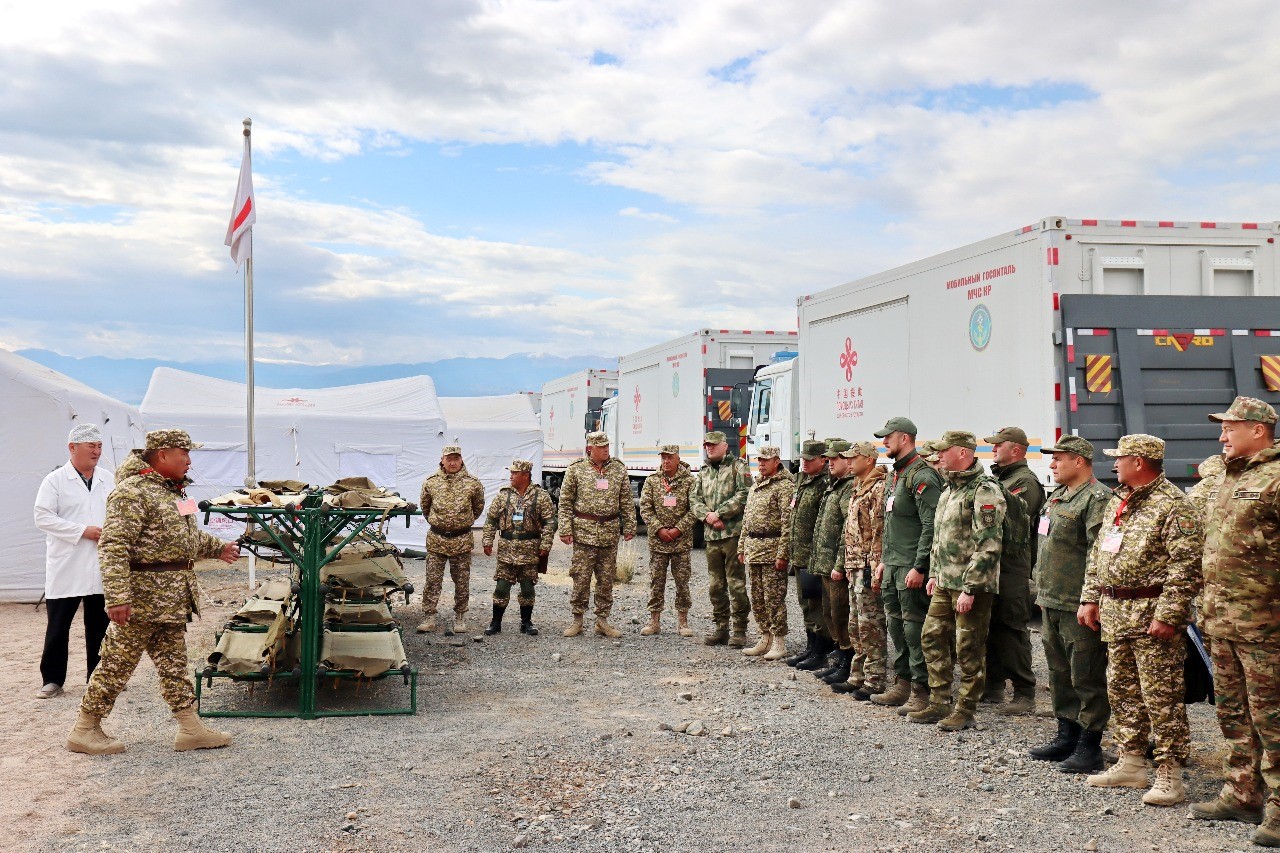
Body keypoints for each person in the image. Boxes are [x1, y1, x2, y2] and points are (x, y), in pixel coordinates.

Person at [67, 429, 240, 755]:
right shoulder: (132, 492)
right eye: (184, 453)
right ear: (162, 455)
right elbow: (113, 546)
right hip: (141, 601)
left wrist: (219, 548)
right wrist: (118, 597)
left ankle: (190, 728)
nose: (189, 461)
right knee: (116, 663)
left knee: (175, 665)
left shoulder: (176, 492)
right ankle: (84, 729)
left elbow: (188, 538)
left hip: (172, 601)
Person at [1079, 434, 1202, 806]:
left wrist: (1169, 614)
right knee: (1123, 692)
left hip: (1152, 616)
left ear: (1139, 462)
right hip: (1116, 613)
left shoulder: (1173, 505)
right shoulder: (1120, 500)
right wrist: (1091, 598)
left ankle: (1169, 773)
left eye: (1120, 458)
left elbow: (1186, 567)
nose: (1114, 463)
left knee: (1161, 697)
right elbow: (1099, 554)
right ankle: (1131, 762)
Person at [1189, 397, 1280, 847]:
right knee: (1232, 712)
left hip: (1265, 625)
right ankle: (1242, 792)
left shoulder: (1276, 478)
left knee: (1272, 718)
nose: (1222, 435)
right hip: (1221, 622)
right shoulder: (1229, 476)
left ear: (1258, 429)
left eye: (1230, 427)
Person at [1028, 435, 1112, 773]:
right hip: (1052, 598)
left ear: (1079, 461)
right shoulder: (1058, 496)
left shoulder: (1096, 499)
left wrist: (1092, 598)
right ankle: (1067, 735)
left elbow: (1099, 553)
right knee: (1060, 673)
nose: (1052, 464)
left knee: (1086, 675)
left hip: (1077, 602)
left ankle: (1090, 746)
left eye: (1058, 459)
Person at [912, 430, 1006, 732]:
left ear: (963, 453)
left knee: (968, 647)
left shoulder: (984, 490)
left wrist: (971, 587)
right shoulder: (949, 489)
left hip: (970, 586)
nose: (939, 456)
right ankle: (939, 701)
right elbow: (941, 538)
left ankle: (965, 709)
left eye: (944, 451)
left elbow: (989, 544)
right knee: (931, 637)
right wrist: (935, 573)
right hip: (945, 582)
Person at [33, 423, 112, 699]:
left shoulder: (108, 479)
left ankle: (98, 677)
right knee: (58, 625)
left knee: (99, 624)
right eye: (91, 446)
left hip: (101, 563)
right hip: (67, 563)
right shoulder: (54, 480)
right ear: (72, 447)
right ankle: (52, 679)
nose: (96, 451)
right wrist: (81, 531)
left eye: (99, 446)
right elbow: (42, 517)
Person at [870, 417, 942, 716]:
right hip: (893, 565)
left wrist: (921, 566)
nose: (884, 441)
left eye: (889, 437)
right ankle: (902, 683)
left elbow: (931, 525)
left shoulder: (922, 475)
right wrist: (884, 561)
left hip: (911, 566)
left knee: (915, 630)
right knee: (897, 627)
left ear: (905, 438)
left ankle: (921, 690)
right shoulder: (895, 475)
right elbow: (891, 523)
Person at [982, 426, 1046, 715]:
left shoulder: (1025, 482)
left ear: (1016, 450)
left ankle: (1024, 691)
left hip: (1012, 566)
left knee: (1012, 628)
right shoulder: (1001, 478)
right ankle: (993, 686)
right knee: (992, 627)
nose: (994, 449)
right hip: (995, 564)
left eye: (999, 445)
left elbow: (1011, 518)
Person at [557, 432, 635, 638]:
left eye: (607, 445)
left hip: (609, 533)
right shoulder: (576, 469)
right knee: (581, 578)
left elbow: (626, 500)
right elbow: (565, 502)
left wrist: (629, 526)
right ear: (590, 448)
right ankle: (577, 620)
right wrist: (565, 529)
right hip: (584, 533)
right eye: (601, 447)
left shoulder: (618, 469)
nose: (606, 449)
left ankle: (602, 621)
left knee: (606, 579)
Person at [834, 441, 888, 699]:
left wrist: (874, 567)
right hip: (855, 564)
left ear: (868, 460)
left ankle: (875, 679)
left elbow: (879, 531)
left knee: (871, 625)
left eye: (853, 458)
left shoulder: (878, 488)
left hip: (868, 565)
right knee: (855, 624)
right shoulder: (858, 486)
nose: (849, 462)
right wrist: (848, 563)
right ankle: (858, 675)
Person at [690, 431, 752, 647]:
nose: (710, 448)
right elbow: (694, 498)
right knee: (715, 586)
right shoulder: (704, 471)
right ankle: (721, 628)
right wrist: (707, 516)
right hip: (712, 537)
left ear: (725, 446)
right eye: (707, 445)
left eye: (714, 445)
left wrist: (720, 514)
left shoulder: (738, 467)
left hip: (732, 535)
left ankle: (740, 630)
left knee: (736, 585)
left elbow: (744, 494)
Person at [481, 460, 555, 636]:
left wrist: (546, 545)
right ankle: (495, 622)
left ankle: (526, 622)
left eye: (515, 473)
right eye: (511, 472)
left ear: (526, 475)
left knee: (527, 588)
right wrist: (487, 540)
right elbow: (491, 519)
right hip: (506, 549)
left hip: (530, 550)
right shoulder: (503, 495)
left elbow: (550, 522)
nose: (511, 476)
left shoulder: (540, 496)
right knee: (501, 587)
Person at [417, 445, 486, 635]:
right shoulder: (431, 482)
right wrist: (440, 524)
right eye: (449, 459)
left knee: (461, 581)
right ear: (442, 460)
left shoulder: (473, 483)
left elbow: (478, 507)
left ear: (461, 459)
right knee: (432, 580)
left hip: (461, 539)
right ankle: (429, 616)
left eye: (456, 458)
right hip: (437, 539)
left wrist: (460, 523)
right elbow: (425, 507)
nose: (453, 462)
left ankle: (460, 616)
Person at [737, 446, 794, 660]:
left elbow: (787, 524)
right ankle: (765, 637)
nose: (761, 464)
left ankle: (779, 641)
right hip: (754, 549)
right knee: (757, 598)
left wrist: (783, 554)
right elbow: (747, 520)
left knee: (774, 598)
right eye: (759, 460)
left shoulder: (784, 486)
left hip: (772, 550)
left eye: (765, 460)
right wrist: (742, 546)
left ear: (777, 461)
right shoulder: (756, 485)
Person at [810, 440, 858, 685]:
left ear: (847, 461)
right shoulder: (835, 487)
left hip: (835, 566)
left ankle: (848, 662)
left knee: (841, 614)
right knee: (830, 613)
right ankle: (840, 658)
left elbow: (846, 531)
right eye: (827, 459)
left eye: (834, 459)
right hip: (825, 564)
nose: (829, 463)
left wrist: (839, 564)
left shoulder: (848, 488)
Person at [782, 440, 833, 668]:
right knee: (805, 604)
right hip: (799, 555)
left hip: (814, 556)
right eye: (803, 458)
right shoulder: (802, 480)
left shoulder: (824, 483)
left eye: (810, 459)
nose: (805, 463)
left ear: (823, 460)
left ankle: (820, 651)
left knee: (817, 605)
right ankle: (811, 647)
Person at [638, 445, 697, 637]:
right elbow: (645, 508)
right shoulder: (652, 480)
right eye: (663, 458)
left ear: (678, 459)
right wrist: (659, 529)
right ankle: (654, 621)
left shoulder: (689, 481)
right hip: (658, 542)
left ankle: (683, 622)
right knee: (656, 582)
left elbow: (695, 509)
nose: (666, 461)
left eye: (670, 458)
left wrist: (679, 529)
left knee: (682, 582)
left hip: (681, 542)